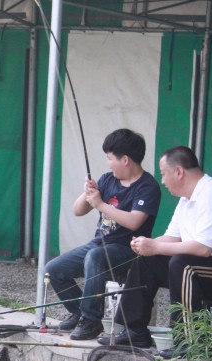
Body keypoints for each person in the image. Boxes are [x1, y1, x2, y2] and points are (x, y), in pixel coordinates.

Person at [101, 145, 212, 348]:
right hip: (206, 265)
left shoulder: (211, 195)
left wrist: (155, 247)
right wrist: (146, 245)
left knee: (183, 265)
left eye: (163, 174)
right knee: (148, 260)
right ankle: (134, 330)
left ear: (178, 172)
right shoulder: (186, 198)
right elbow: (172, 238)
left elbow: (203, 249)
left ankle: (191, 342)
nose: (162, 181)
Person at [46, 129, 162, 341]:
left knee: (95, 256)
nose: (108, 164)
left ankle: (91, 320)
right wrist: (88, 193)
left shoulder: (148, 187)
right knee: (53, 269)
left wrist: (100, 204)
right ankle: (79, 313)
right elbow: (78, 210)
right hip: (98, 244)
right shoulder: (107, 180)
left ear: (125, 160)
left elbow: (134, 221)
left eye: (110, 158)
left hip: (129, 249)